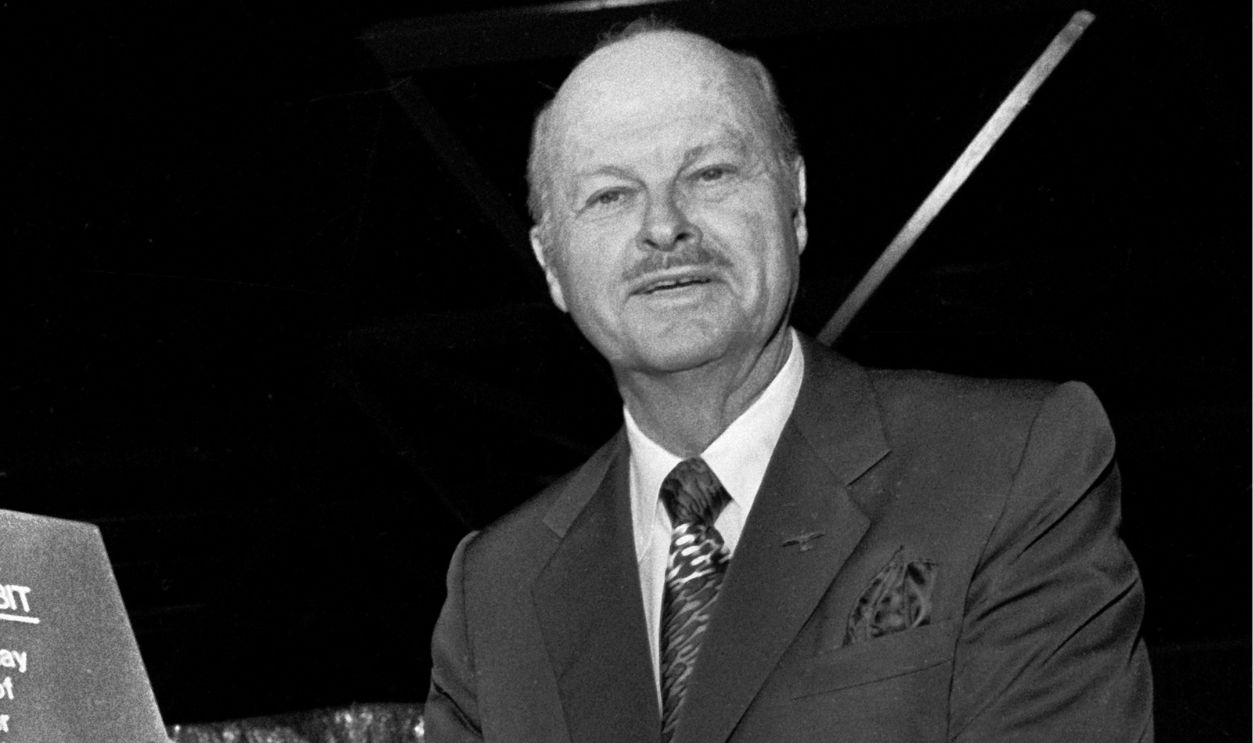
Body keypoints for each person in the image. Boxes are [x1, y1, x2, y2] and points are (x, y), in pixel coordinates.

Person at [424, 22, 1153, 743]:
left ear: (795, 202)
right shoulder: (495, 592)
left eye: (710, 174)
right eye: (610, 195)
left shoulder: (1007, 465)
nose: (664, 226)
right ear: (550, 262)